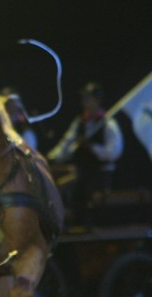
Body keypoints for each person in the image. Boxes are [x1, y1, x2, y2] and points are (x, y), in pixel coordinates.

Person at [48, 82, 124, 222]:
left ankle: (82, 222)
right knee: (64, 187)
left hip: (100, 175)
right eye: (83, 98)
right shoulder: (80, 122)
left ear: (97, 101)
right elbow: (66, 144)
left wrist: (92, 147)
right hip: (83, 172)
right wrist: (51, 158)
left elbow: (114, 152)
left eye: (88, 98)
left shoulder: (108, 123)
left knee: (79, 191)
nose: (84, 102)